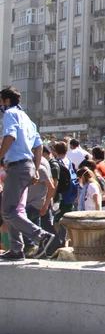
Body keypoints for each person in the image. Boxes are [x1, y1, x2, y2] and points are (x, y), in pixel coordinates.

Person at [0, 87, 55, 261]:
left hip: (17, 166)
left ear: (7, 101)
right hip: (27, 166)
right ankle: (17, 249)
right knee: (15, 209)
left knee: (7, 211)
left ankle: (40, 236)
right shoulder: (27, 118)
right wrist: (36, 168)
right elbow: (38, 145)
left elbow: (9, 136)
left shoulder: (10, 114)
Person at [23, 156, 56, 258]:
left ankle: (32, 246)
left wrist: (46, 205)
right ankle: (40, 252)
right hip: (30, 202)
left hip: (37, 204)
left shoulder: (41, 169)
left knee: (21, 222)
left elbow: (51, 187)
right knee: (36, 227)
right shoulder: (30, 170)